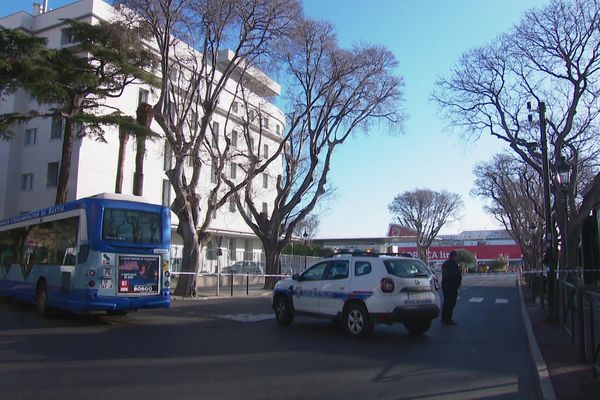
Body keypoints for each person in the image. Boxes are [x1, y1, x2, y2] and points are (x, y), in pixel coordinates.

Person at [441, 250, 462, 325]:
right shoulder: (453, 265)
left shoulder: (446, 264)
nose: (457, 258)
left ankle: (444, 318)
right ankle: (448, 319)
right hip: (451, 286)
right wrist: (456, 284)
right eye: (456, 256)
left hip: (447, 286)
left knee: (446, 303)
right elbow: (454, 276)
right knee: (450, 303)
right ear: (454, 257)